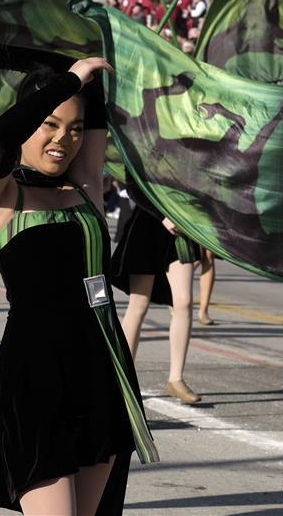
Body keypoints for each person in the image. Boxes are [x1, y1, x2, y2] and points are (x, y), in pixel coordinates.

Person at [0, 42, 155, 514]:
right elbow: (0, 142)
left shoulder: (84, 182)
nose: (64, 140)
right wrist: (64, 81)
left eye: (75, 128)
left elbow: (91, 75)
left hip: (101, 373)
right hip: (34, 382)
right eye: (49, 125)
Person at [112, 172, 202, 404]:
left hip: (182, 230)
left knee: (183, 301)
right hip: (148, 228)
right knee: (138, 305)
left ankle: (176, 379)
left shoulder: (191, 145)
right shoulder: (146, 138)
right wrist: (163, 216)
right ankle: (123, 378)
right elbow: (133, 186)